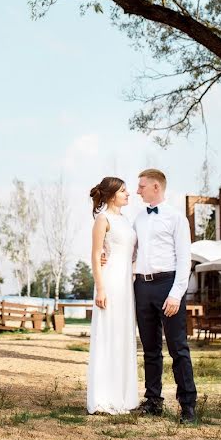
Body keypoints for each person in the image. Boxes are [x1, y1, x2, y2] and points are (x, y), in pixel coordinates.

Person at [132, 168, 197, 423]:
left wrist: (176, 294)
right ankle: (153, 400)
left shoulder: (176, 218)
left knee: (178, 349)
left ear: (156, 187)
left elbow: (185, 259)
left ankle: (188, 406)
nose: (138, 191)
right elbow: (133, 254)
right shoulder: (138, 219)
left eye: (141, 186)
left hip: (168, 285)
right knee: (150, 348)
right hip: (142, 287)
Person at [86, 176, 139, 414]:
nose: (128, 194)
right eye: (124, 191)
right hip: (110, 283)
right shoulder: (102, 219)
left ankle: (124, 396)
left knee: (123, 336)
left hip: (127, 285)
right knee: (108, 336)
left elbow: (132, 253)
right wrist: (100, 288)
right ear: (111, 195)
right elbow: (96, 256)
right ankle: (103, 397)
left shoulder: (126, 221)